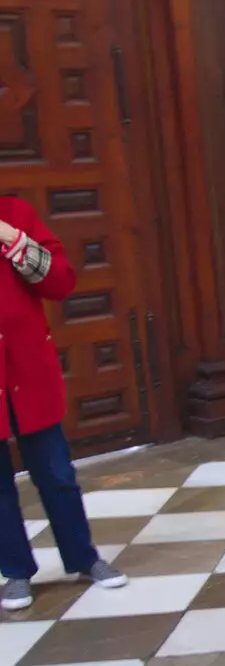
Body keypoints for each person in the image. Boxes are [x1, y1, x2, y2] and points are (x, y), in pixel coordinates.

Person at [0, 199, 126, 611]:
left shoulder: (16, 213)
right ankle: (16, 572)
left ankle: (84, 558)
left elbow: (59, 282)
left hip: (29, 374)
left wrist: (11, 238)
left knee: (56, 474)